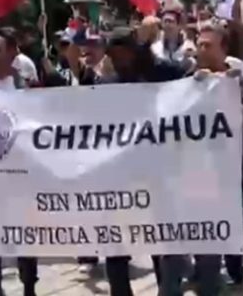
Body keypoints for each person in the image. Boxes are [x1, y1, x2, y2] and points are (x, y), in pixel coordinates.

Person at [100, 26, 187, 296]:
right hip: (120, 177)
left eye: (122, 52)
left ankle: (167, 290)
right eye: (112, 55)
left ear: (135, 50)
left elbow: (194, 91)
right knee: (116, 246)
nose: (118, 59)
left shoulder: (165, 73)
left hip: (159, 174)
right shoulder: (105, 87)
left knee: (163, 241)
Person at [158, 21, 241, 296]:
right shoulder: (184, 78)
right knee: (171, 259)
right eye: (200, 45)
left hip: (216, 185)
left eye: (208, 45)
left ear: (223, 49)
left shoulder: (236, 79)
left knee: (209, 264)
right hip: (181, 180)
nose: (201, 50)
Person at [0, 29, 39, 296]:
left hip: (22, 178)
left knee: (25, 236)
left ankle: (29, 284)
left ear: (12, 53)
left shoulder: (27, 89)